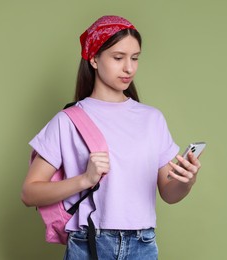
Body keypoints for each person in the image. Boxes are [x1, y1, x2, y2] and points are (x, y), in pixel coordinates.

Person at [21, 15, 202, 260]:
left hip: (142, 244)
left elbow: (169, 194)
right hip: (89, 243)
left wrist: (186, 180)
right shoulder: (69, 120)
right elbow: (29, 193)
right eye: (118, 58)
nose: (129, 68)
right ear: (94, 59)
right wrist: (85, 179)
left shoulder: (152, 119)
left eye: (135, 58)